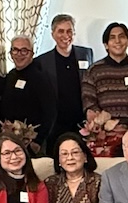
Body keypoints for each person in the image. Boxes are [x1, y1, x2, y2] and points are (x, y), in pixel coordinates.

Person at [82, 22, 128, 130]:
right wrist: (106, 122)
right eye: (112, 38)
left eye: (122, 36)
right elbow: (88, 101)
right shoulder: (94, 71)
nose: (117, 41)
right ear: (106, 44)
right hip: (104, 134)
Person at [34, 13, 95, 145]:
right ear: (52, 34)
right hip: (56, 124)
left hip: (82, 122)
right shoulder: (42, 62)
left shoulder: (86, 54)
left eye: (69, 31)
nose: (65, 35)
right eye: (60, 31)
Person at [0, 35, 56, 150]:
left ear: (32, 53)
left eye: (24, 51)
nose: (19, 54)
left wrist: (38, 141)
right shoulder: (11, 75)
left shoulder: (41, 78)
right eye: (15, 50)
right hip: (11, 138)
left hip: (32, 142)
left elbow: (50, 112)